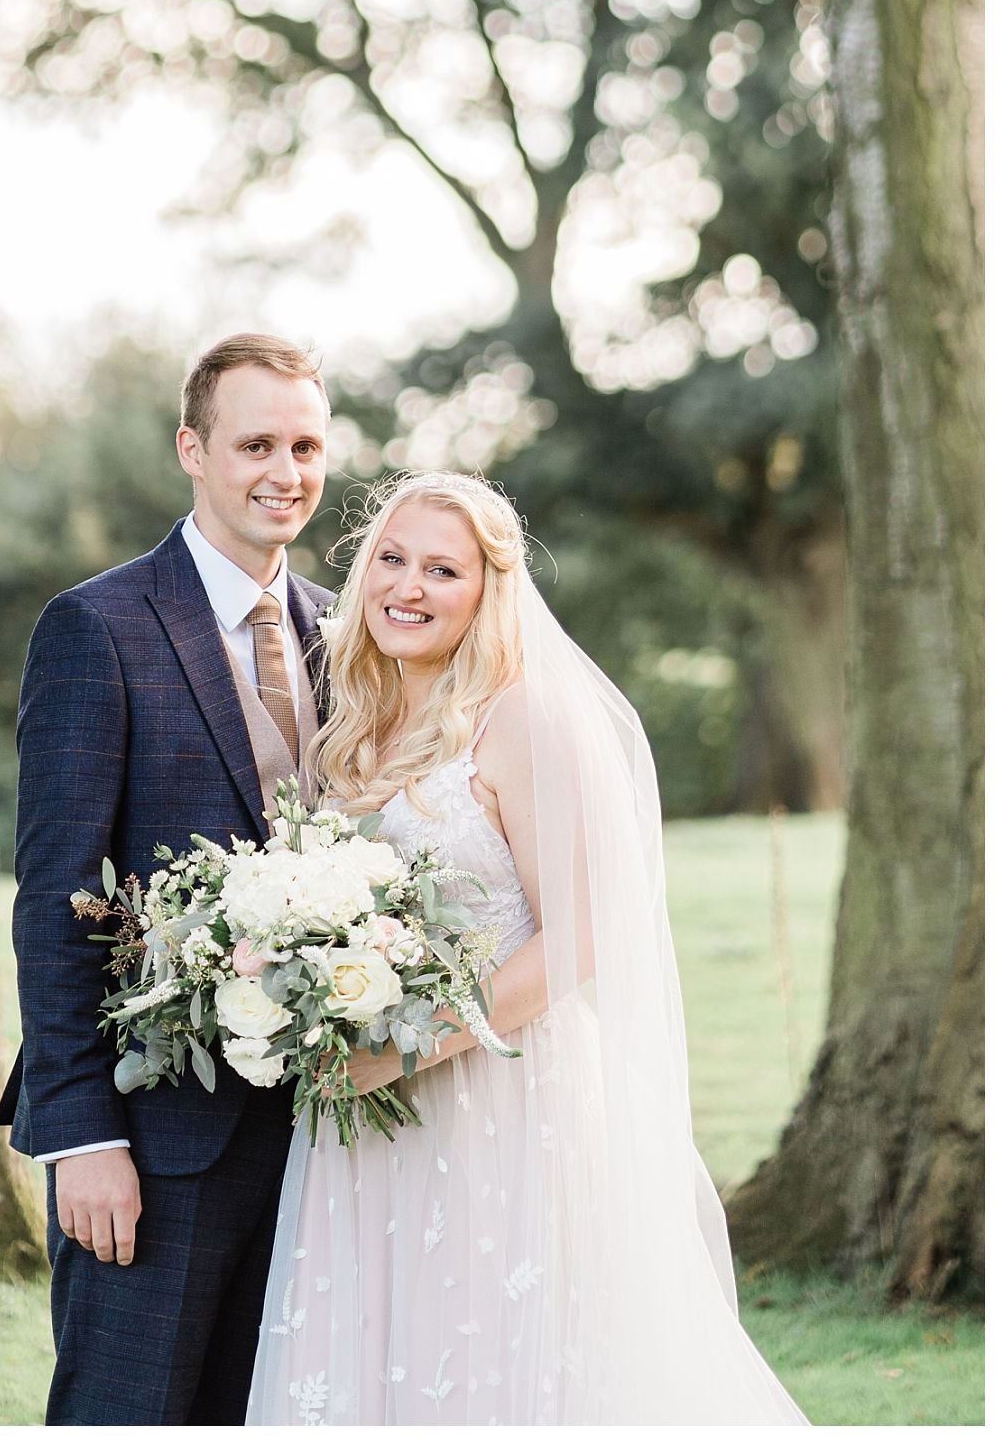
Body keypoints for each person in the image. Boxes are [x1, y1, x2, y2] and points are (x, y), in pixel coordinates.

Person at [246, 471, 808, 1426]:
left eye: (441, 569)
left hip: (507, 1097)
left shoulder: (525, 720)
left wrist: (412, 1045)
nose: (406, 587)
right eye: (390, 559)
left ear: (487, 592)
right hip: (365, 1115)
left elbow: (585, 934)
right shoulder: (349, 734)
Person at [0, 333, 333, 1426]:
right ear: (193, 448)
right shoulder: (98, 626)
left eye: (307, 444)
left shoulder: (346, 630)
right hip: (155, 1140)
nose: (285, 470)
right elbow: (57, 900)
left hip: (326, 1135)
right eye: (256, 443)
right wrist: (81, 1135)